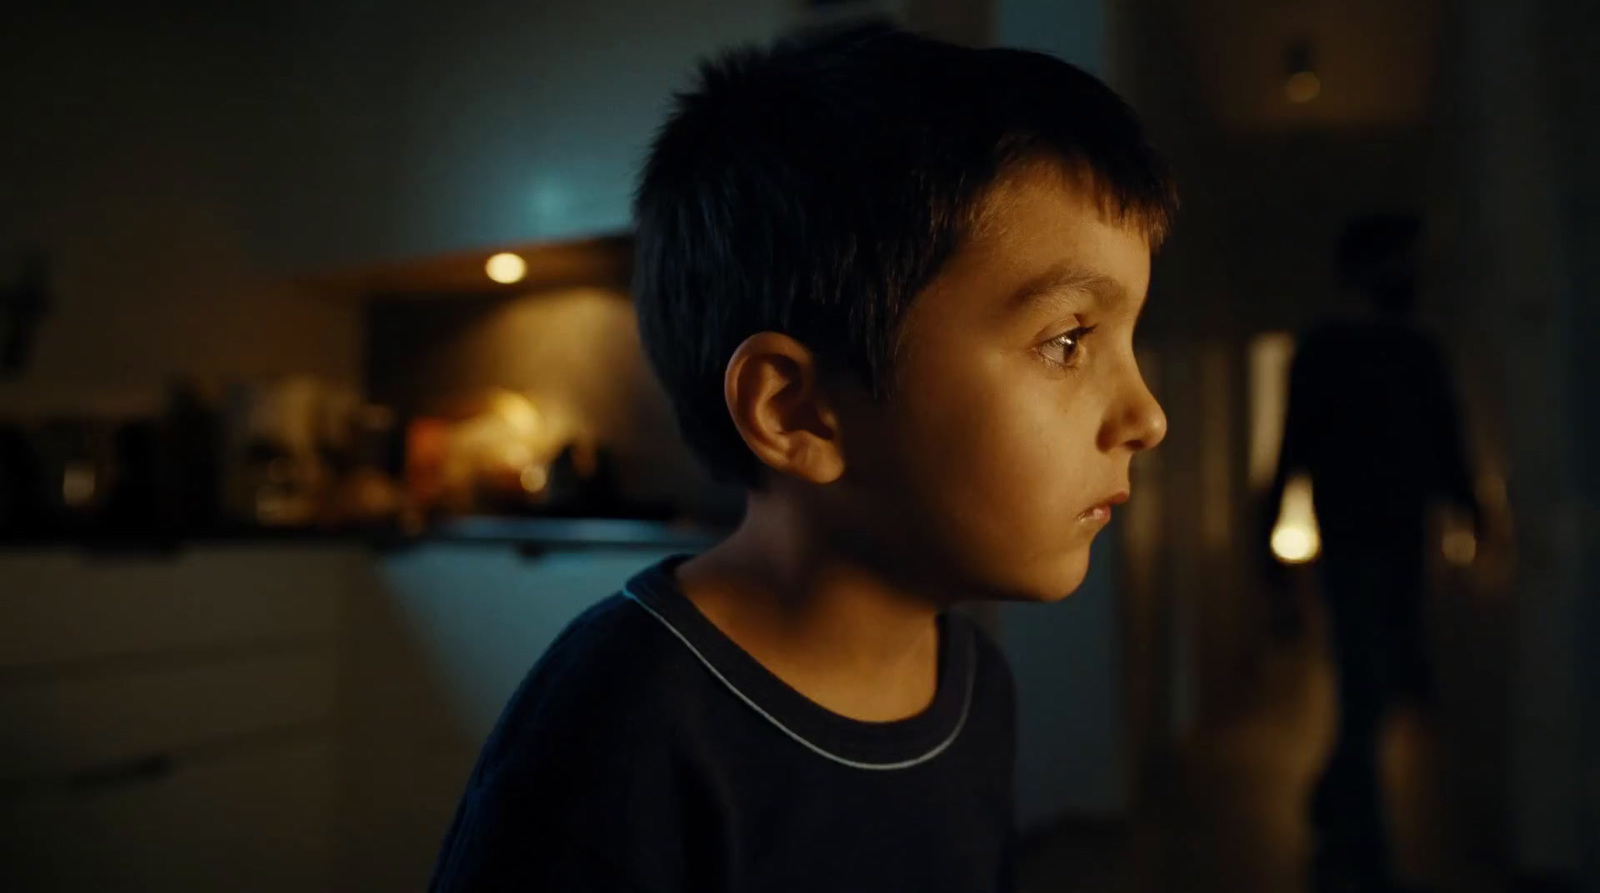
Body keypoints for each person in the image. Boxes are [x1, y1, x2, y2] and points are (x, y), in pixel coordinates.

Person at [428, 23, 1174, 893]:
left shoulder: (976, 689)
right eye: (1069, 339)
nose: (1147, 416)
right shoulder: (620, 722)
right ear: (798, 411)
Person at [1267, 212, 1480, 893]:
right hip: (1355, 543)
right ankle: (1361, 848)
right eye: (1400, 263)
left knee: (1382, 682)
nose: (1411, 277)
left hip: (1399, 540)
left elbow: (1446, 441)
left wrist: (1471, 508)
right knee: (1367, 682)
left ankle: (1337, 801)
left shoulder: (1416, 351)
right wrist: (1268, 546)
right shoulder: (1328, 351)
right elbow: (1293, 449)